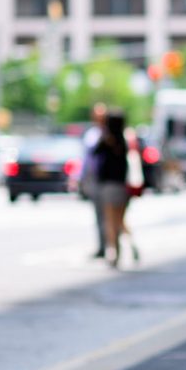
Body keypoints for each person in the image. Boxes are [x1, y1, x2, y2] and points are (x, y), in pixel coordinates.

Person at [94, 111, 140, 268]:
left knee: (110, 221)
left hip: (109, 186)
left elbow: (95, 153)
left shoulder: (106, 140)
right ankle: (131, 245)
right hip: (122, 186)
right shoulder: (125, 139)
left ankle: (114, 252)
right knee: (120, 221)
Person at [78, 103, 107, 259]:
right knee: (100, 215)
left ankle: (115, 244)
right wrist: (81, 178)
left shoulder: (112, 134)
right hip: (95, 180)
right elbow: (86, 160)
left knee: (113, 217)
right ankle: (103, 246)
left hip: (110, 181)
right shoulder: (91, 135)